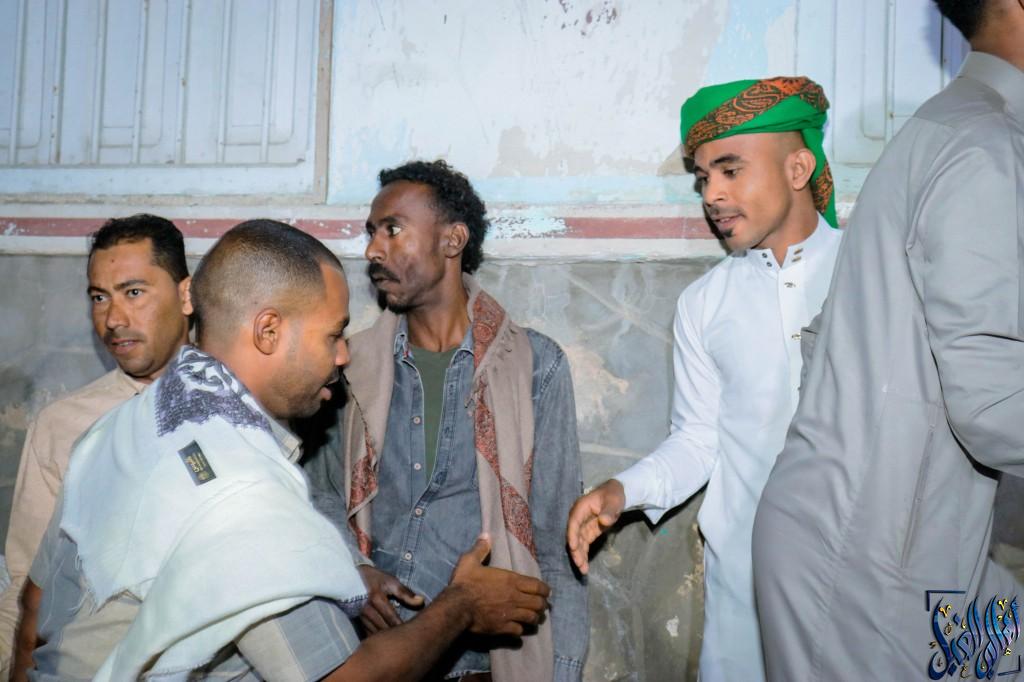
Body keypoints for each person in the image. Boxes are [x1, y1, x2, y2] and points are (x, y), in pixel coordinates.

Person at [17, 220, 551, 682]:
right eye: (333, 335)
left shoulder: (122, 425)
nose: (343, 356)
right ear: (269, 331)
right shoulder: (242, 497)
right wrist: (461, 607)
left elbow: (36, 609)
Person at [752, 1, 1024, 679]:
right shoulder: (981, 145)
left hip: (918, 540)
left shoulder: (961, 128)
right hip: (869, 558)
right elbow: (990, 399)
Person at [565, 77, 841, 680]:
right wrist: (621, 492)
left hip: (862, 576)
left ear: (798, 168)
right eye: (702, 178)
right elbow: (698, 441)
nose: (712, 194)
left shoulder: (870, 274)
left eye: (730, 170)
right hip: (746, 586)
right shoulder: (704, 304)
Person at [303, 160, 587, 681]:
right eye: (371, 232)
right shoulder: (349, 366)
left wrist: (561, 671)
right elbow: (317, 494)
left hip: (481, 666)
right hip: (367, 656)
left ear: (453, 240)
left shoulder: (535, 367)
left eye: (393, 229)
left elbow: (555, 547)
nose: (373, 250)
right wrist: (353, 568)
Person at [1, 214, 192, 675]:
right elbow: (23, 589)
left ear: (186, 295)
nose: (113, 319)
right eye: (99, 297)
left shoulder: (239, 407)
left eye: (134, 292)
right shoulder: (61, 425)